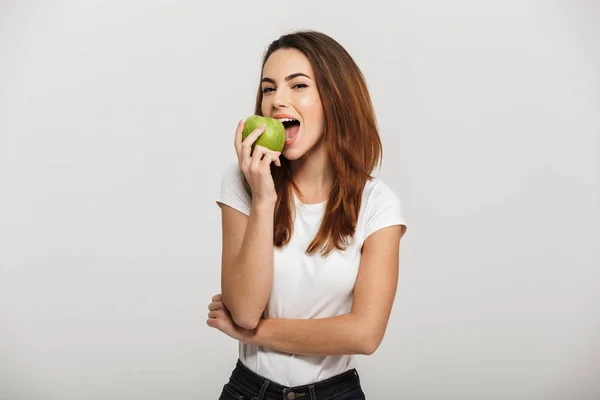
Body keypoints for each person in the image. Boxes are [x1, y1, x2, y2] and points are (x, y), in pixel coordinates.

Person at [207, 30, 408, 400]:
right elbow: (246, 309)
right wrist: (263, 199)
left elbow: (364, 335)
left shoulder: (378, 204)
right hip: (249, 391)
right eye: (268, 89)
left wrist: (252, 334)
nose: (277, 100)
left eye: (297, 85)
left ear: (336, 99)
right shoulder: (242, 181)